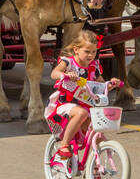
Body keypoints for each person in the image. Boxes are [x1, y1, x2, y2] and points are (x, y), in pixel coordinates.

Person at [45, 30, 123, 161]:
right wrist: (66, 75)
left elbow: (101, 86)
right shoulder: (68, 63)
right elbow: (54, 73)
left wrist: (111, 84)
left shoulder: (94, 66)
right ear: (76, 50)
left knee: (97, 134)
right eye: (87, 51)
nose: (91, 55)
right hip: (65, 105)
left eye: (94, 52)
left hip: (87, 106)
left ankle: (96, 165)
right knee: (82, 114)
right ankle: (64, 145)